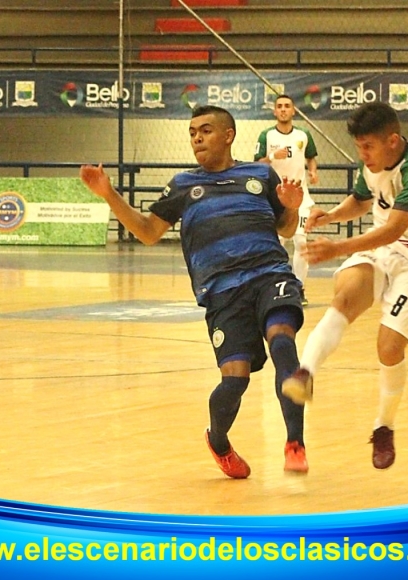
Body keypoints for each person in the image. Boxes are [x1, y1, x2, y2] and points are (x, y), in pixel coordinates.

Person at [79, 105, 309, 479]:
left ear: (228, 135)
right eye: (192, 133)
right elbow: (148, 231)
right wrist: (109, 194)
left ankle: (295, 442)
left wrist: (293, 209)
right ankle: (218, 441)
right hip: (222, 291)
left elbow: (284, 228)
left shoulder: (260, 174)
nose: (197, 138)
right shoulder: (183, 185)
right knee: (234, 381)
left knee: (282, 340)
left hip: (270, 273)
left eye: (205, 131)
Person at [282, 101, 408, 470]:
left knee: (389, 348)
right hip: (386, 247)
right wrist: (329, 215)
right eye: (359, 146)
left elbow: (393, 228)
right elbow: (362, 201)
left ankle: (383, 426)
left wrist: (336, 248)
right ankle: (306, 372)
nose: (362, 154)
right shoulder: (373, 161)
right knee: (346, 294)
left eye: (367, 147)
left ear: (392, 141)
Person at [255, 94, 319, 306]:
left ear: (293, 111)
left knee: (301, 242)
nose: (283, 110)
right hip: (274, 199)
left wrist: (312, 171)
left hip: (300, 198)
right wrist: (273, 157)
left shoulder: (303, 134)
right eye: (279, 106)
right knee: (276, 244)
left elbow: (311, 157)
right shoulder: (266, 136)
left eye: (287, 106)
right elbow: (258, 164)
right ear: (275, 111)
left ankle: (298, 287)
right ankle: (275, 285)